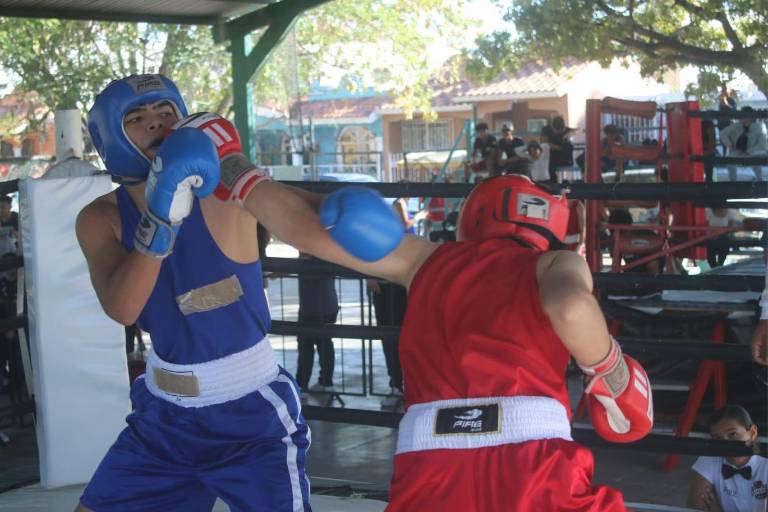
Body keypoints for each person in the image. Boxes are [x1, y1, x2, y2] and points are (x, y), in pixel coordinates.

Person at [75, 74, 363, 511]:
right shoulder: (101, 218)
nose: (155, 123)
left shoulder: (227, 194)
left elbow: (313, 217)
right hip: (162, 420)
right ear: (110, 137)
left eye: (165, 112)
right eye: (136, 118)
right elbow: (123, 306)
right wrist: (161, 218)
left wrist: (236, 166)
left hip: (250, 415)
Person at [320, 174, 654, 510]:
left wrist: (263, 184)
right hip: (535, 456)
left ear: (475, 211)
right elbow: (571, 307)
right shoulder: (554, 263)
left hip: (429, 457)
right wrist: (612, 371)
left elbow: (306, 230)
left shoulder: (422, 259)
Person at [687, 405, 766, 511]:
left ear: (753, 433)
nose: (726, 443)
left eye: (733, 434)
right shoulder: (709, 457)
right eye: (718, 438)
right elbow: (695, 507)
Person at [295, 252, 339, 396]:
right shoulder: (328, 248)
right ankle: (326, 382)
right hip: (328, 304)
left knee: (306, 346)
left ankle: (302, 386)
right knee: (325, 343)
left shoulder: (308, 247)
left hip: (311, 307)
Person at [720, 106, 768, 181]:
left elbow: (762, 145)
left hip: (756, 151)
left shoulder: (760, 127)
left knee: (754, 158)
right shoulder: (737, 125)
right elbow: (723, 133)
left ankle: (760, 179)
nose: (740, 118)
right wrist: (729, 144)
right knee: (730, 159)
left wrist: (748, 152)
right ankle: (733, 182)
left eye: (742, 116)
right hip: (740, 151)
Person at [541, 116, 576, 182]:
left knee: (568, 145)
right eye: (557, 131)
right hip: (550, 154)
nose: (559, 132)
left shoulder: (565, 129)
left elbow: (577, 130)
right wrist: (556, 147)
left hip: (562, 155)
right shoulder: (546, 129)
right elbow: (544, 143)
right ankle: (553, 181)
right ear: (553, 127)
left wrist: (570, 133)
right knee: (550, 164)